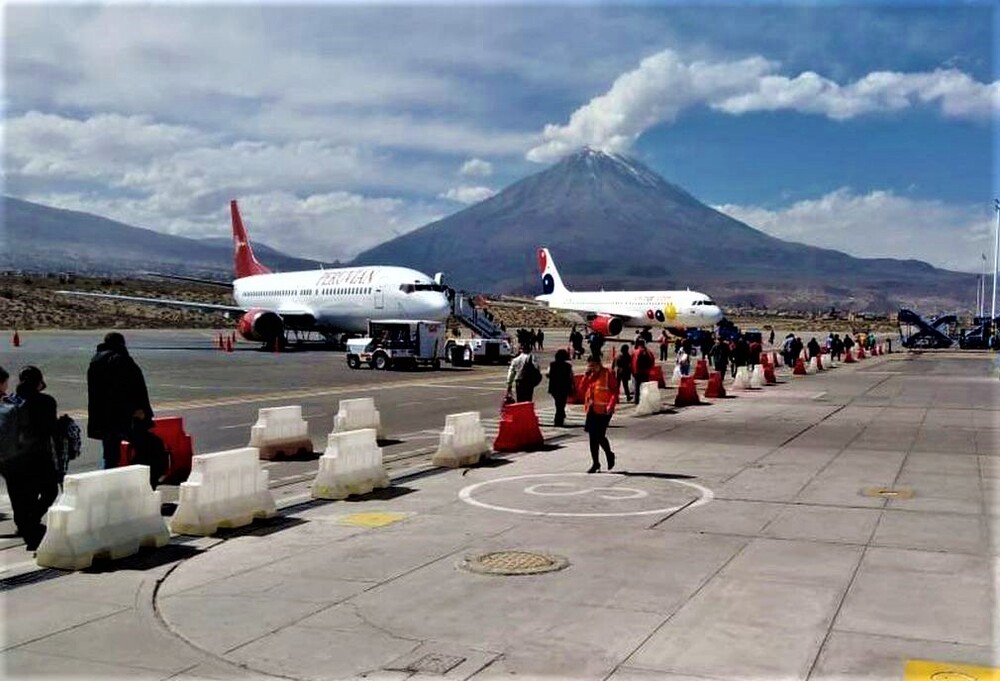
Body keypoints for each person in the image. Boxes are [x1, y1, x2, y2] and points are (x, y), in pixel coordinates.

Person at [5, 367, 60, 551]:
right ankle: (31, 524)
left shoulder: (9, 401)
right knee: (49, 491)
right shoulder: (46, 401)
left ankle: (26, 525)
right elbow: (51, 429)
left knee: (21, 497)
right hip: (38, 456)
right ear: (39, 382)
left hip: (12, 458)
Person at [87, 332, 154, 469]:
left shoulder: (95, 362)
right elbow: (128, 389)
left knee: (110, 456)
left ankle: (108, 483)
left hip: (104, 416)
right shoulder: (121, 360)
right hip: (124, 417)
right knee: (145, 449)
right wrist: (136, 410)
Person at [582, 356, 617, 474]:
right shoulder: (590, 376)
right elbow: (581, 389)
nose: (591, 368)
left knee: (600, 435)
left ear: (599, 364)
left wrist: (611, 405)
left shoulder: (608, 374)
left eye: (593, 366)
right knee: (592, 437)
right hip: (592, 409)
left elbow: (615, 392)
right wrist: (586, 376)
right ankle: (595, 463)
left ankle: (609, 454)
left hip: (604, 410)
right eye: (589, 366)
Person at [547, 349, 574, 427]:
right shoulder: (568, 366)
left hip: (554, 387)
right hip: (564, 387)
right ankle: (559, 418)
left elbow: (548, 374)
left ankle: (559, 417)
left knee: (558, 403)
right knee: (561, 403)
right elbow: (571, 376)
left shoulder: (552, 364)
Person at [631, 339, 655, 403]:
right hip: (646, 372)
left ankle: (636, 400)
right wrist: (649, 369)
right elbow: (652, 360)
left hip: (637, 372)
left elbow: (633, 362)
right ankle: (645, 399)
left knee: (637, 386)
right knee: (645, 386)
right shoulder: (648, 352)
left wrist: (633, 371)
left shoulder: (636, 352)